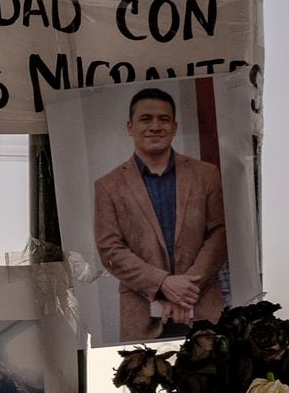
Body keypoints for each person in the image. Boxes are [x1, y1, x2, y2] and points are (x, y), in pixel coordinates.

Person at [92, 87, 227, 342]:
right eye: (146, 119)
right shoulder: (108, 186)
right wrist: (164, 284)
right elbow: (110, 250)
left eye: (163, 119)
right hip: (142, 318)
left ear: (175, 127)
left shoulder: (206, 175)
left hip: (203, 312)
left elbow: (220, 235)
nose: (155, 126)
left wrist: (186, 289)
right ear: (130, 127)